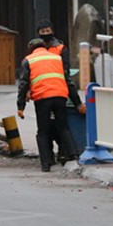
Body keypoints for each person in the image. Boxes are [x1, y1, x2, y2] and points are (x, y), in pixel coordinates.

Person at [17, 38, 86, 172]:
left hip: (42, 98)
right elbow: (68, 81)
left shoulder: (28, 60)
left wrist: (21, 107)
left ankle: (46, 164)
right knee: (63, 127)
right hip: (60, 96)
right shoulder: (56, 58)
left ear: (31, 49)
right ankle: (73, 155)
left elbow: (23, 84)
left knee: (43, 131)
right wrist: (78, 103)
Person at [35, 18, 82, 163]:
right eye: (42, 32)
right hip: (43, 92)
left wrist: (76, 101)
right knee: (48, 126)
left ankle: (63, 153)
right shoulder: (36, 49)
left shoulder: (61, 49)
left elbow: (66, 75)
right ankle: (51, 156)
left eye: (47, 31)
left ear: (53, 32)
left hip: (58, 91)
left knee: (59, 124)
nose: (45, 34)